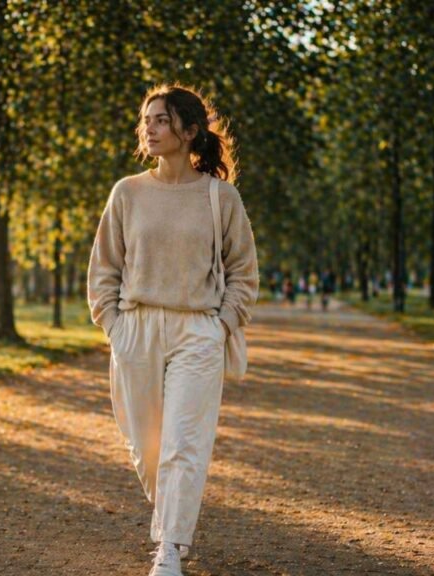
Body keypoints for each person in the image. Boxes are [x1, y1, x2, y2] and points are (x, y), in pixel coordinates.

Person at [87, 83, 259, 576]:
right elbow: (103, 269)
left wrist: (221, 326)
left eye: (161, 119)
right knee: (149, 448)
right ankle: (171, 525)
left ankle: (170, 550)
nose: (150, 128)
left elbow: (243, 272)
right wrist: (114, 326)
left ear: (189, 129)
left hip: (197, 332)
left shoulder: (219, 197)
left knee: (185, 442)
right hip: (135, 329)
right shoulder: (128, 192)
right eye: (147, 120)